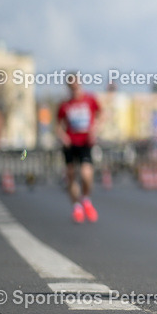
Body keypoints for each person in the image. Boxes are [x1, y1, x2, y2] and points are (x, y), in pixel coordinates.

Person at [56, 76, 100, 223]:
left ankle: (86, 199)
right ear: (68, 87)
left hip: (85, 143)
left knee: (86, 174)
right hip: (70, 144)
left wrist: (95, 130)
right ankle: (76, 207)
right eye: (71, 86)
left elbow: (101, 115)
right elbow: (57, 125)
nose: (74, 88)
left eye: (76, 85)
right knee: (71, 175)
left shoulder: (90, 100)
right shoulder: (65, 105)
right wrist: (63, 136)